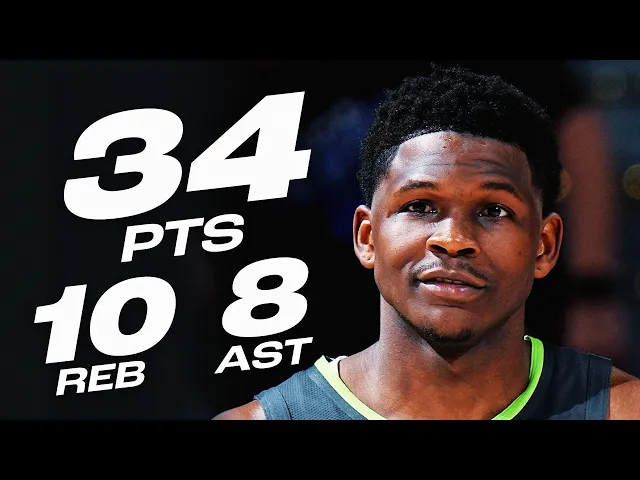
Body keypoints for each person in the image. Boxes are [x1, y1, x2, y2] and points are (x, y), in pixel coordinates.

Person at [213, 64, 640, 420]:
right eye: (420, 206)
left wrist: (593, 289)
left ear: (544, 246)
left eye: (494, 210)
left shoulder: (622, 409)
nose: (453, 239)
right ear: (366, 236)